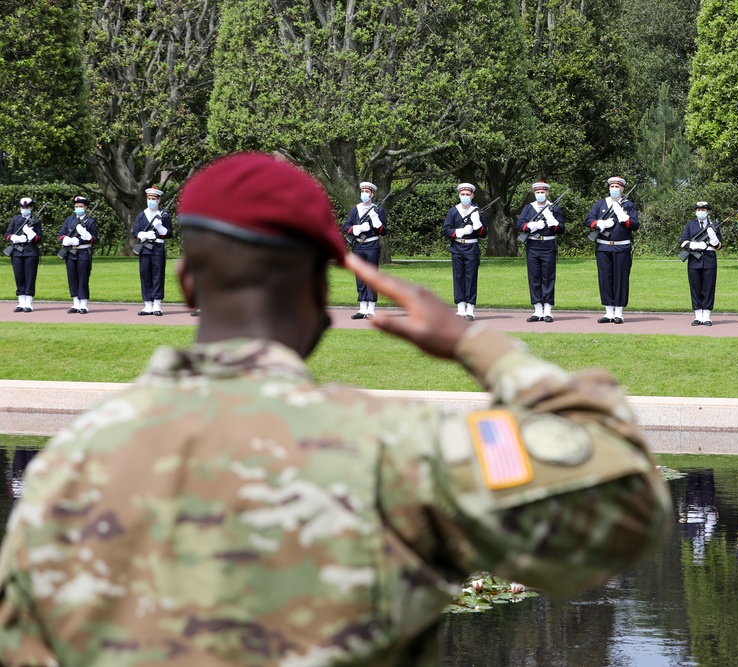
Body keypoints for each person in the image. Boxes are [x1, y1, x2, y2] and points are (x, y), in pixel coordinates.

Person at [0, 152, 671, 666]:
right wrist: (482, 345)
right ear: (324, 285)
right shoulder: (397, 446)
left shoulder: (63, 470)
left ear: (185, 283)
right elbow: (627, 500)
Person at [585, 176, 639, 323]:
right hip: (603, 247)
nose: (615, 189)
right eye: (612, 187)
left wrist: (623, 216)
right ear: (609, 188)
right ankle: (608, 311)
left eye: (618, 187)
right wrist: (600, 223)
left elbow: (635, 224)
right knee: (605, 279)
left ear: (622, 189)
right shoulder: (601, 203)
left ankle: (619, 312)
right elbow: (588, 220)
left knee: (621, 279)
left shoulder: (627, 205)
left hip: (622, 247)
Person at [516, 180, 564, 322]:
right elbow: (519, 225)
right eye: (538, 192)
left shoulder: (554, 209)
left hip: (548, 246)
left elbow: (561, 229)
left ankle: (548, 310)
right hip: (533, 245)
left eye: (543, 192)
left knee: (548, 277)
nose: (540, 194)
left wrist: (552, 221)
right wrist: (532, 225)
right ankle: (537, 309)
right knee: (534, 277)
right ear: (534, 193)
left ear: (547, 193)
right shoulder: (529, 208)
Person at [443, 182, 488, 320]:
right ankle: (460, 309)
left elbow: (484, 233)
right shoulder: (453, 211)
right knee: (458, 277)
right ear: (459, 195)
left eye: (468, 194)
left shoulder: (477, 212)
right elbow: (446, 229)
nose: (465, 197)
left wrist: (477, 224)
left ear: (472, 195)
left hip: (472, 248)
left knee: (471, 278)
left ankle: (470, 310)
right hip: (457, 248)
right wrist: (460, 231)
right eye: (463, 194)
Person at [342, 181, 386, 319]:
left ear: (372, 194)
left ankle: (371, 308)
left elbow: (383, 231)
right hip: (358, 246)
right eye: (363, 191)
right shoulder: (355, 209)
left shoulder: (378, 210)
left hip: (372, 245)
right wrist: (357, 229)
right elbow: (345, 228)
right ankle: (362, 307)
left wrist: (375, 220)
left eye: (367, 192)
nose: (364, 194)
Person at [679, 201, 722, 326]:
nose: (701, 212)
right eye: (698, 210)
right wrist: (695, 245)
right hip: (694, 259)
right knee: (695, 287)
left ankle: (707, 316)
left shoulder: (713, 226)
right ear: (695, 212)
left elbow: (719, 246)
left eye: (703, 210)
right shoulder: (690, 225)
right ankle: (698, 316)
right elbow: (683, 241)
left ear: (707, 212)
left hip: (709, 259)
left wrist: (713, 238)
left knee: (708, 288)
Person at [132, 187, 173, 316]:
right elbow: (135, 231)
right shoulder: (141, 215)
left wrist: (160, 228)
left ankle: (157, 304)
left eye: (153, 199)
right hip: (145, 249)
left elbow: (170, 233)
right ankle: (147, 305)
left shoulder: (164, 215)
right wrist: (143, 235)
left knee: (158, 275)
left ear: (158, 200)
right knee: (145, 275)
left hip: (157, 249)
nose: (151, 201)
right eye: (149, 198)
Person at [57, 195, 99, 314]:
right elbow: (61, 234)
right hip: (70, 252)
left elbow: (95, 239)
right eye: (76, 206)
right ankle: (75, 303)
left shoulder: (90, 221)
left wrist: (85, 236)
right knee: (72, 278)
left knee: (83, 278)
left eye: (81, 206)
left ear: (85, 207)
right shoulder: (69, 220)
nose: (78, 208)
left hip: (83, 252)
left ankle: (84, 304)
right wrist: (65, 240)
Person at [4, 197, 42, 313]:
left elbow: (39, 238)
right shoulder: (15, 220)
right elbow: (7, 235)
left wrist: (30, 233)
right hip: (16, 252)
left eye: (27, 207)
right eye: (23, 207)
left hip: (30, 252)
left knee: (30, 277)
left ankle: (28, 302)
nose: (25, 209)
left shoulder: (36, 221)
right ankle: (21, 302)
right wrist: (15, 238)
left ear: (31, 208)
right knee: (19, 276)